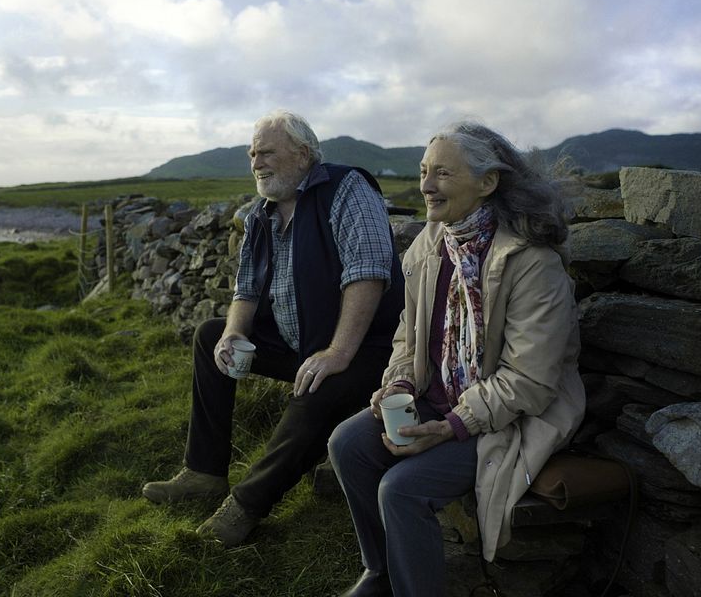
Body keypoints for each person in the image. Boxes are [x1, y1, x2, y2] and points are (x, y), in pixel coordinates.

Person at [328, 122, 585, 597]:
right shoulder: (431, 242)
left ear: (487, 183)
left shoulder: (531, 262)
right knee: (347, 443)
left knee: (401, 489)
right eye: (424, 171)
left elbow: (529, 381)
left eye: (442, 173)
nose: (425, 185)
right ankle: (381, 571)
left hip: (510, 418)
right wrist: (401, 383)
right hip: (438, 395)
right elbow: (410, 335)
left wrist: (451, 426)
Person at [142, 108, 405, 547]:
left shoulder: (345, 188)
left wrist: (337, 352)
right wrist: (233, 335)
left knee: (315, 389)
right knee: (210, 336)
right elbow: (245, 290)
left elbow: (368, 273)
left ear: (303, 154)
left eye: (266, 152)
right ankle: (203, 472)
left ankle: (246, 505)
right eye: (251, 154)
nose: (256, 162)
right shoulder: (261, 216)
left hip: (369, 350)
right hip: (303, 344)